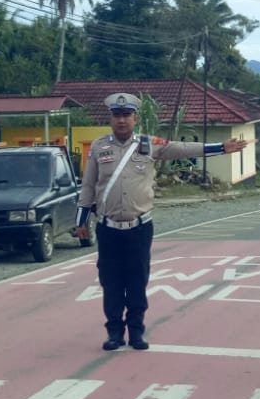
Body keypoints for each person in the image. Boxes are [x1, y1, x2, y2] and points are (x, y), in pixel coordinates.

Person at [75, 91, 249, 351]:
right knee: (111, 282)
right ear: (111, 119)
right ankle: (114, 332)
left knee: (137, 280)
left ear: (135, 118)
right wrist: (81, 221)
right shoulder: (100, 147)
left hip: (139, 227)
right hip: (108, 229)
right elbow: (89, 186)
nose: (122, 121)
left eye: (127, 116)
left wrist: (222, 148)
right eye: (117, 116)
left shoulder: (148, 144)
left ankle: (136, 332)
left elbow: (182, 149)